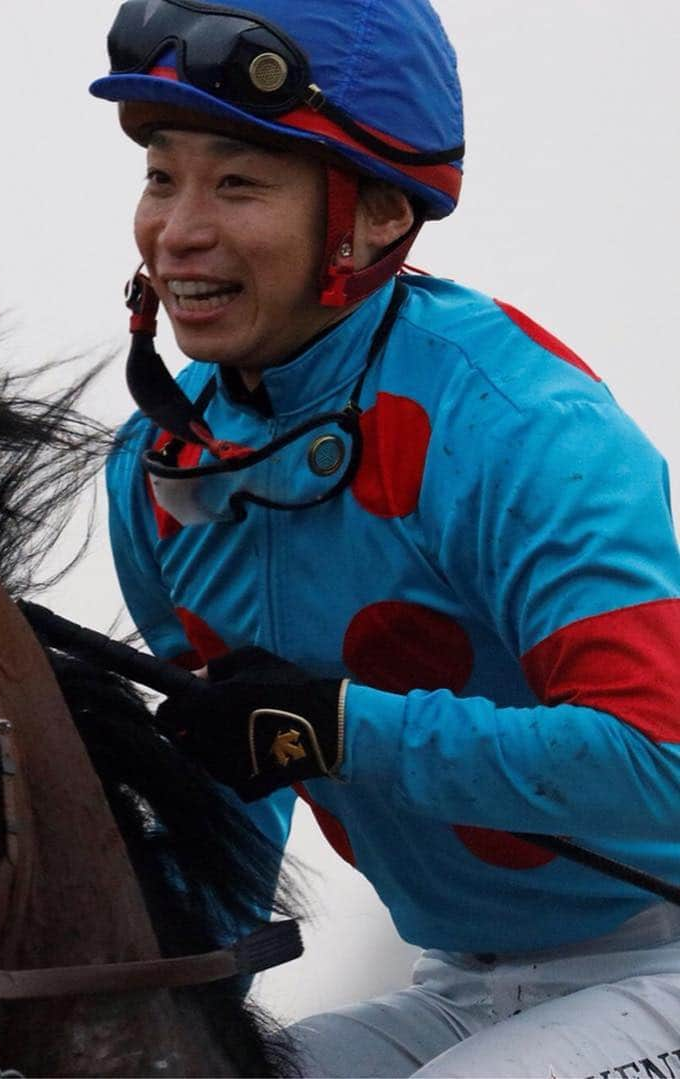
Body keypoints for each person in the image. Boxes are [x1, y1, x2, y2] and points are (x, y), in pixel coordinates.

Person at [90, 1, 680, 1076]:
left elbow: (660, 766)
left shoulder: (518, 428)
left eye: (236, 182)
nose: (177, 230)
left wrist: (343, 725)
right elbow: (231, 802)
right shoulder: (155, 471)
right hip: (459, 981)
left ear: (368, 217)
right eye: (162, 176)